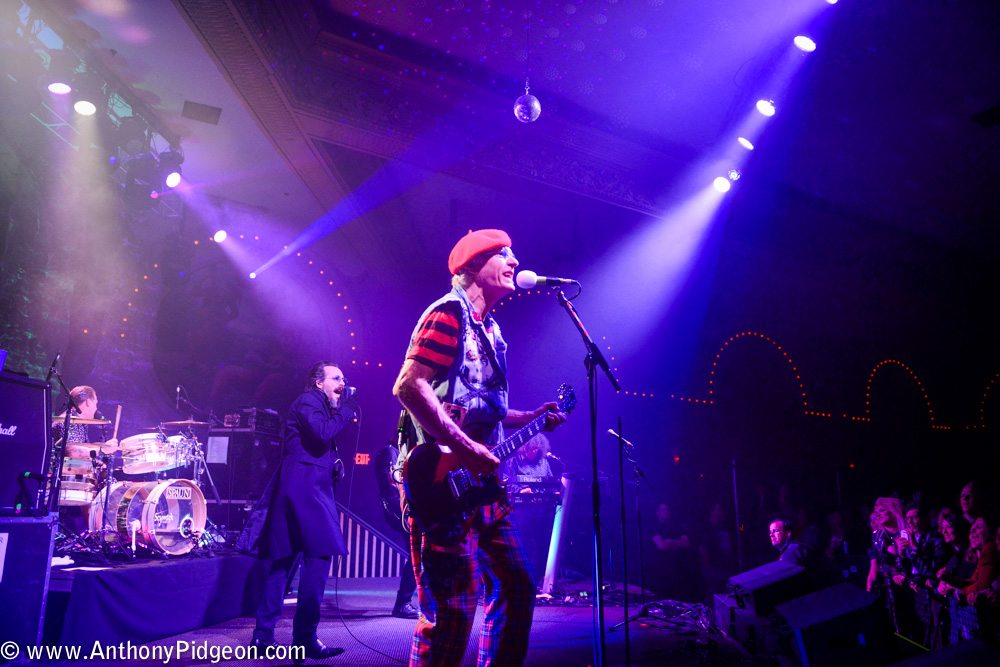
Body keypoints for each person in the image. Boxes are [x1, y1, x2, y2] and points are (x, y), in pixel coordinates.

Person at [392, 228, 568, 666]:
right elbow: (409, 386)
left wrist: (528, 417)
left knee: (517, 586)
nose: (515, 262)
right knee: (451, 613)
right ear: (473, 264)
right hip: (441, 483)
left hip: (484, 490)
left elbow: (481, 408)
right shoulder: (448, 314)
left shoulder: (490, 328)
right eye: (504, 254)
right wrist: (466, 447)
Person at [251, 361, 356, 661]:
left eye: (343, 378)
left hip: (301, 489)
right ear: (318, 383)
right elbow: (322, 433)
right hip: (306, 492)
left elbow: (316, 442)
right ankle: (305, 638)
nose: (343, 383)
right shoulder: (309, 399)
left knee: (284, 562)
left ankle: (263, 635)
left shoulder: (318, 403)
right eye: (336, 378)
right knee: (318, 557)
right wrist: (346, 411)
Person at [499, 433, 558, 585]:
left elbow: (550, 482)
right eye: (531, 449)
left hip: (542, 508)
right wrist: (521, 490)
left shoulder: (544, 462)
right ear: (523, 448)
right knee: (525, 543)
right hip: (523, 509)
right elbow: (506, 485)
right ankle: (523, 578)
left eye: (536, 449)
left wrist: (555, 492)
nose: (534, 452)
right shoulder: (513, 462)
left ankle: (539, 578)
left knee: (542, 542)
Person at [374, 438, 419, 619]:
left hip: (401, 506)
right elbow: (393, 483)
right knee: (417, 554)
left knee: (418, 554)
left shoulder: (394, 451)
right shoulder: (390, 451)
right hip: (399, 508)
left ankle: (405, 602)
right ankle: (402, 604)